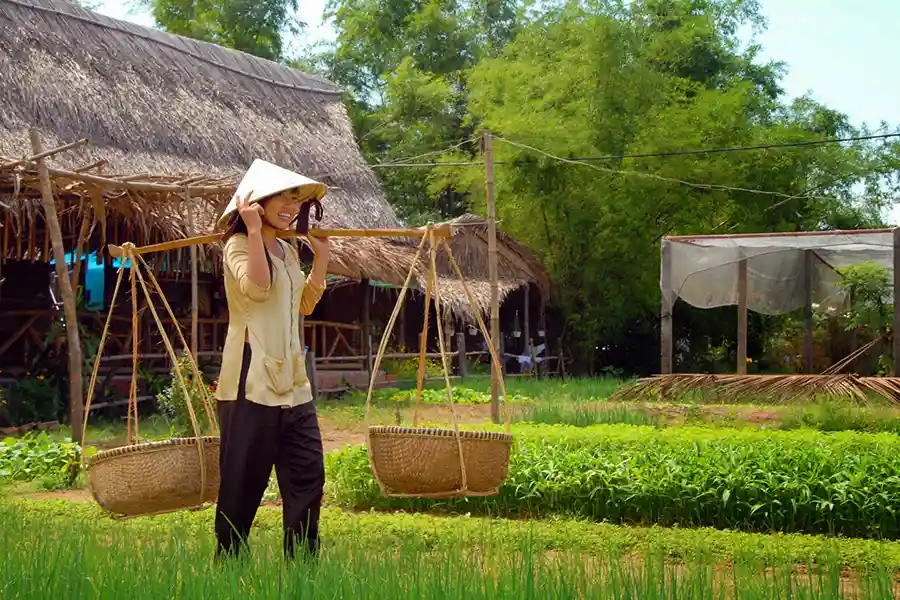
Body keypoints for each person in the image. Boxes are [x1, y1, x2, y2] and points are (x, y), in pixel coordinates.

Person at [212, 159, 330, 561]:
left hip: (294, 384)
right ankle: (228, 561)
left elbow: (305, 305)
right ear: (255, 201)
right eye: (283, 196)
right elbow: (258, 290)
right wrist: (256, 232)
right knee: (243, 483)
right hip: (251, 381)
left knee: (308, 474)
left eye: (296, 199)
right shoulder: (237, 245)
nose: (291, 205)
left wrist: (323, 257)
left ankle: (301, 566)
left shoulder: (289, 251)